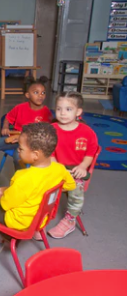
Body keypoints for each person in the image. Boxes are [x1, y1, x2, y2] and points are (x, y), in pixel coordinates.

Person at [0, 123, 76, 257]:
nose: (18, 151)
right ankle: (11, 237)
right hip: (40, 220)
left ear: (35, 155)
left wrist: (0, 193)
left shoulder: (23, 177)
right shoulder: (59, 169)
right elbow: (70, 185)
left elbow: (5, 204)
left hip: (19, 222)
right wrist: (43, 189)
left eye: (20, 149)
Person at [46, 92, 99, 239]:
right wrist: (57, 169)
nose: (62, 113)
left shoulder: (87, 132)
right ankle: (37, 218)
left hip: (77, 169)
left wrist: (83, 166)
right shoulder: (52, 129)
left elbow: (90, 153)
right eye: (59, 109)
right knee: (38, 184)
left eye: (68, 109)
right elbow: (49, 152)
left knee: (76, 189)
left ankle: (70, 220)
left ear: (78, 112)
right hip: (56, 166)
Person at [0, 76, 52, 186]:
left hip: (30, 144)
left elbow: (45, 134)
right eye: (36, 92)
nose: (41, 96)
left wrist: (25, 138)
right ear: (27, 95)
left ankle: (19, 180)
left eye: (43, 93)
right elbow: (7, 117)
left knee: (18, 157)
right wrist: (5, 126)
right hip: (14, 139)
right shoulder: (20, 108)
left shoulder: (46, 112)